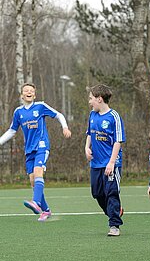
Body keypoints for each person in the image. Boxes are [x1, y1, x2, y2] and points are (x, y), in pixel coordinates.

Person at [0, 83, 71, 221]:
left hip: (42, 146)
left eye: (32, 91)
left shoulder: (40, 106)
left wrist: (65, 127)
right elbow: (12, 131)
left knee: (39, 172)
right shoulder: (18, 112)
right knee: (33, 181)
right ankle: (46, 210)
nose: (29, 92)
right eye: (26, 90)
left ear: (35, 95)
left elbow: (59, 115)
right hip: (29, 150)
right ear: (21, 95)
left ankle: (36, 203)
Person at [84, 84, 125, 236]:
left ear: (99, 99)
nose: (89, 102)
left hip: (111, 163)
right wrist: (86, 148)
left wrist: (112, 163)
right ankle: (115, 212)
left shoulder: (114, 117)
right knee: (97, 193)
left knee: (111, 193)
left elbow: (118, 141)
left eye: (91, 99)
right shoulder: (92, 115)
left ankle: (114, 225)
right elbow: (90, 133)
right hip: (95, 163)